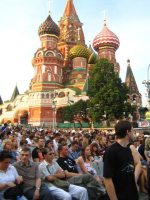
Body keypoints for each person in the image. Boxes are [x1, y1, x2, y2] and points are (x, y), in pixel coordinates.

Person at [103, 120, 139, 200]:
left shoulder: (128, 149)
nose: (134, 132)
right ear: (127, 132)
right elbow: (107, 179)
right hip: (120, 196)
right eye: (132, 130)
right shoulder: (111, 152)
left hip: (131, 194)